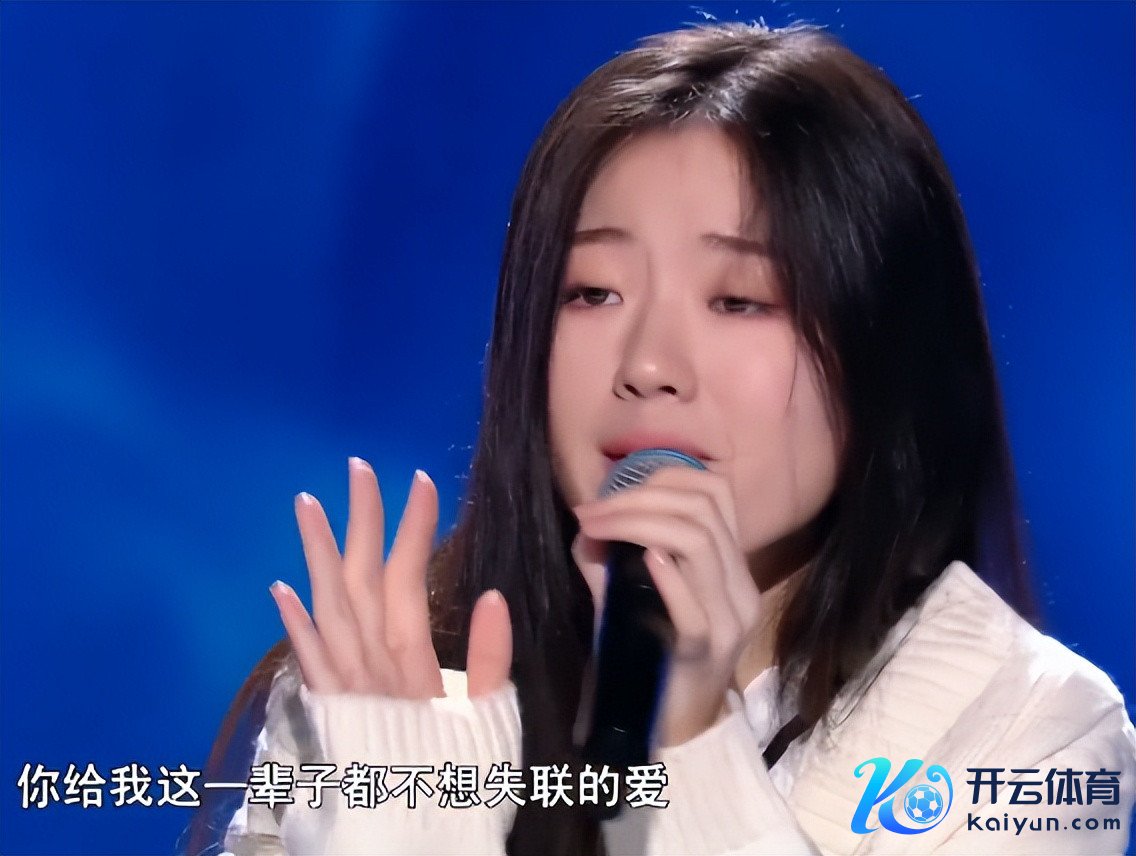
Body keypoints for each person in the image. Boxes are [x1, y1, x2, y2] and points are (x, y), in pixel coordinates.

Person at [188, 21, 1136, 856]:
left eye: (739, 300)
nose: (648, 364)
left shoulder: (1028, 729)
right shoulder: (382, 692)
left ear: (886, 353)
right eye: (594, 292)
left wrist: (693, 736)